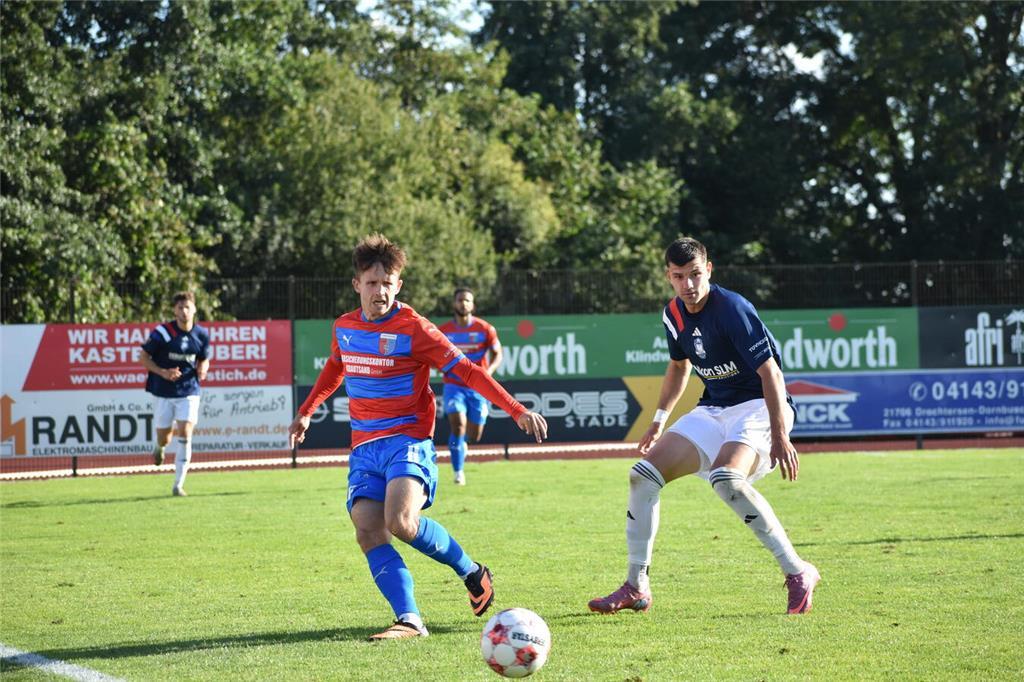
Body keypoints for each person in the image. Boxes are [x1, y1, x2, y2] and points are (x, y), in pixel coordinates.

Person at [288, 234, 548, 641]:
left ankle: (472, 571)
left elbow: (468, 370)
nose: (381, 291)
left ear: (399, 285)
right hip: (363, 448)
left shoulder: (415, 328)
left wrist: (516, 409)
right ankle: (410, 620)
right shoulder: (345, 327)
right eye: (372, 283)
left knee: (402, 521)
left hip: (408, 440)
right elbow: (335, 370)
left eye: (388, 282)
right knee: (368, 531)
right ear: (357, 285)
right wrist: (306, 413)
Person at [588, 237, 821, 616]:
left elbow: (771, 374)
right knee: (642, 476)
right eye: (679, 277)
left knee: (726, 478)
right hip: (714, 408)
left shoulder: (732, 308)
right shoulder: (672, 315)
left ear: (708, 269)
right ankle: (636, 585)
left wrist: (781, 435)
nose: (689, 285)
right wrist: (659, 419)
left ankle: (798, 572)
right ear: (669, 277)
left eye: (695, 274)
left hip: (759, 405)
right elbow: (679, 367)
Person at [140, 291, 211, 497]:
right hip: (163, 391)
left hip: (189, 390)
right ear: (175, 310)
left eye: (188, 307)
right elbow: (143, 357)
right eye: (180, 307)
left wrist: (203, 368)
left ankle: (178, 484)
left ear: (194, 309)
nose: (184, 311)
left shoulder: (201, 335)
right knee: (164, 437)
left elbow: (204, 358)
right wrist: (163, 372)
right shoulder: (162, 333)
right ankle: (159, 447)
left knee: (186, 433)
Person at [438, 288, 503, 485]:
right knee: (457, 425)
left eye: (467, 300)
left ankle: (461, 446)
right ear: (454, 303)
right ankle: (458, 472)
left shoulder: (485, 329)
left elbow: (497, 353)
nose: (463, 304)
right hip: (453, 385)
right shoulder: (444, 331)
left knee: (475, 434)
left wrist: (488, 372)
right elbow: (433, 355)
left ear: (472, 305)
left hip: (477, 388)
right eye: (459, 300)